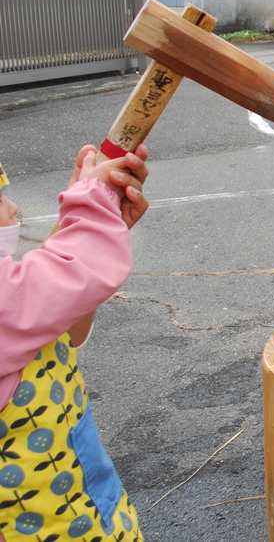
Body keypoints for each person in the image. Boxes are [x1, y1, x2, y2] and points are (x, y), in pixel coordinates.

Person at [1, 144, 150, 541]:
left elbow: (61, 324)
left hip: (93, 510)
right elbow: (75, 275)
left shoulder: (14, 305)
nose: (13, 208)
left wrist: (83, 222)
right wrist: (93, 204)